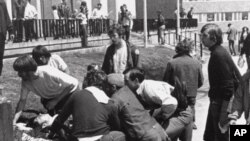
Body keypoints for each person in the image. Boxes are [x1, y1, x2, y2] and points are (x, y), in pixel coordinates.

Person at [41, 70, 126, 141]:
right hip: (101, 138)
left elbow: (61, 118)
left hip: (79, 138)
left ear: (86, 82)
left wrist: (51, 133)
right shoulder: (109, 102)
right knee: (121, 135)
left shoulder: (77, 95)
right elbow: (116, 126)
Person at [123, 68, 193, 141]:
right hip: (174, 112)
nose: (124, 83)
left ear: (136, 81)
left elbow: (171, 103)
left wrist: (160, 118)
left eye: (126, 81)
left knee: (156, 137)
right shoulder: (139, 89)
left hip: (181, 114)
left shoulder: (149, 89)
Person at [200, 23, 241, 141]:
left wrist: (225, 112)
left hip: (221, 101)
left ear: (213, 38)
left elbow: (229, 86)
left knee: (220, 134)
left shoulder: (218, 54)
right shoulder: (218, 51)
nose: (201, 38)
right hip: (217, 100)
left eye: (204, 36)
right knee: (210, 135)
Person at [12, 55, 79, 125]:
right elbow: (22, 101)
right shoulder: (25, 82)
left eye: (20, 72)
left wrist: (55, 101)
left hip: (69, 93)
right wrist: (14, 120)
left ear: (29, 70)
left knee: (65, 122)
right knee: (54, 122)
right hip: (52, 97)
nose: (18, 75)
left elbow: (74, 83)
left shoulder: (47, 71)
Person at [109, 70, 168, 141]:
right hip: (158, 129)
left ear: (113, 87)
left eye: (104, 85)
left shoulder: (115, 98)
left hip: (145, 135)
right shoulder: (130, 92)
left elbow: (116, 124)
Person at [163, 39, 204, 129]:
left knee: (176, 111)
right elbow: (201, 81)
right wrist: (193, 87)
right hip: (191, 92)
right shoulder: (196, 63)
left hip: (175, 93)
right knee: (191, 106)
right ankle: (191, 123)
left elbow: (166, 81)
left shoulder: (172, 63)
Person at [0, 0, 14, 76]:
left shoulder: (2, 3)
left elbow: (6, 17)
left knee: (0, 58)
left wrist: (11, 31)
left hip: (0, 35)